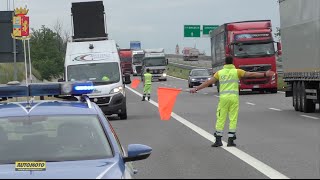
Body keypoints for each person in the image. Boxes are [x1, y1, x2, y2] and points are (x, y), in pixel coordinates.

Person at [190, 56, 275, 147]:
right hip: (234, 98)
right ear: (232, 63)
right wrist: (265, 74)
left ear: (225, 63)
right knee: (233, 118)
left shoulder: (219, 73)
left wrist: (197, 89)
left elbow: (208, 82)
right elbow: (251, 74)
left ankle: (218, 140)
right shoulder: (237, 71)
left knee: (221, 118)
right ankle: (231, 140)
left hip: (224, 99)